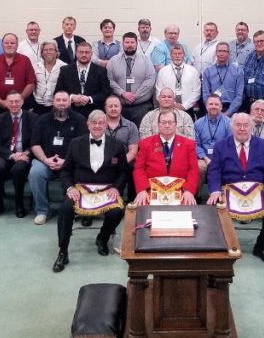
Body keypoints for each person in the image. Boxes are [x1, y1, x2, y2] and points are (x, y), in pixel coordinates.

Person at [206, 113, 264, 264]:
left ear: (251, 127)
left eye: (246, 125)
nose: (242, 128)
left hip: (257, 191)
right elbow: (214, 170)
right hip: (230, 191)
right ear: (232, 127)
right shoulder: (220, 146)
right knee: (211, 206)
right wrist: (215, 191)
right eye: (238, 125)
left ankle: (263, 247)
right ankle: (220, 246)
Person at [54, 110, 128, 273]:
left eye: (101, 123)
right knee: (65, 209)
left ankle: (102, 238)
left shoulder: (117, 145)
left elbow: (123, 171)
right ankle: (63, 251)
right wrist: (70, 188)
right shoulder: (75, 143)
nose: (97, 126)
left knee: (117, 212)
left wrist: (116, 188)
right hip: (81, 190)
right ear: (88, 125)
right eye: (94, 123)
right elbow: (65, 171)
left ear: (106, 125)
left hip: (107, 190)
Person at [28, 90, 87, 224]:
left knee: (83, 171)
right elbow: (35, 144)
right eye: (58, 100)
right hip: (46, 161)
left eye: (64, 100)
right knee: (35, 172)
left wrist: (66, 161)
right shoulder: (42, 120)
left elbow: (83, 147)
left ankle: (74, 209)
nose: (61, 103)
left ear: (70, 102)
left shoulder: (79, 119)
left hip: (71, 163)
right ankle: (43, 211)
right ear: (53, 102)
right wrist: (45, 160)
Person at [133, 110, 200, 206]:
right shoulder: (145, 143)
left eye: (170, 122)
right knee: (142, 208)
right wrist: (142, 190)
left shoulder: (189, 144)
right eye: (163, 122)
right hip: (152, 189)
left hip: (180, 189)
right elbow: (139, 168)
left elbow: (193, 169)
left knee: (187, 209)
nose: (167, 125)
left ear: (176, 124)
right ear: (158, 125)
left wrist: (188, 190)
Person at [0, 91, 36, 219]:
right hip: (5, 154)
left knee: (18, 169)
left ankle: (19, 205)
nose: (14, 104)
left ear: (22, 102)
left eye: (17, 101)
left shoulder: (32, 118)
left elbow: (36, 142)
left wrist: (26, 153)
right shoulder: (0, 119)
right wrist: (11, 155)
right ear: (6, 103)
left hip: (24, 154)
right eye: (11, 102)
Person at [107, 32, 157, 126]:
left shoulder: (146, 60)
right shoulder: (113, 61)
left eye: (132, 42)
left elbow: (150, 79)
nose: (129, 45)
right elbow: (110, 80)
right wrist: (123, 93)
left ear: (136, 44)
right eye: (127, 42)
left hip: (142, 106)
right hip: (120, 106)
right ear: (122, 44)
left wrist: (136, 95)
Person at [54, 42, 112, 118]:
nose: (84, 55)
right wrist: (71, 97)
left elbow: (106, 92)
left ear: (91, 54)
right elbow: (58, 91)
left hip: (94, 113)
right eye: (81, 52)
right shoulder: (65, 70)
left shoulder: (101, 71)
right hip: (70, 112)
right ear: (76, 53)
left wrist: (89, 99)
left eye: (86, 52)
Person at [0, 33, 36, 115]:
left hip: (21, 106)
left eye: (12, 43)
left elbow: (31, 83)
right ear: (2, 45)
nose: (9, 45)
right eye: (6, 43)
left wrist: (19, 100)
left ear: (17, 45)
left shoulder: (25, 60)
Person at [154, 44, 201, 119]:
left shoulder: (193, 71)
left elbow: (197, 92)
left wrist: (184, 106)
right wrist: (172, 104)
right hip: (168, 109)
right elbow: (159, 93)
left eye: (180, 53)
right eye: (174, 53)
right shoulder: (163, 72)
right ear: (170, 55)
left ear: (184, 55)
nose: (177, 56)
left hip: (188, 109)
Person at [194, 94, 232, 188]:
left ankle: (224, 193)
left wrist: (219, 159)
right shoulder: (198, 123)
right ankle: (196, 194)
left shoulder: (229, 123)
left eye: (216, 104)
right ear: (206, 106)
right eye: (211, 104)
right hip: (204, 158)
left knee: (229, 165)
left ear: (221, 107)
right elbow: (195, 144)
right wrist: (206, 159)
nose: (213, 106)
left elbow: (231, 144)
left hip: (223, 157)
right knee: (199, 167)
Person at [201, 42, 244, 117]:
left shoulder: (238, 71)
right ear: (216, 53)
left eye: (224, 51)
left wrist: (228, 113)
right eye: (219, 51)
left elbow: (239, 96)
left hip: (231, 110)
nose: (222, 53)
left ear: (229, 54)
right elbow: (206, 95)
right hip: (212, 108)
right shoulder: (208, 72)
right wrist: (212, 111)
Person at [31, 41, 66, 115]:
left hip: (56, 106)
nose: (48, 52)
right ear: (42, 53)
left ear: (56, 52)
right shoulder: (36, 66)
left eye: (51, 49)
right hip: (38, 105)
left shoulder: (64, 67)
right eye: (45, 50)